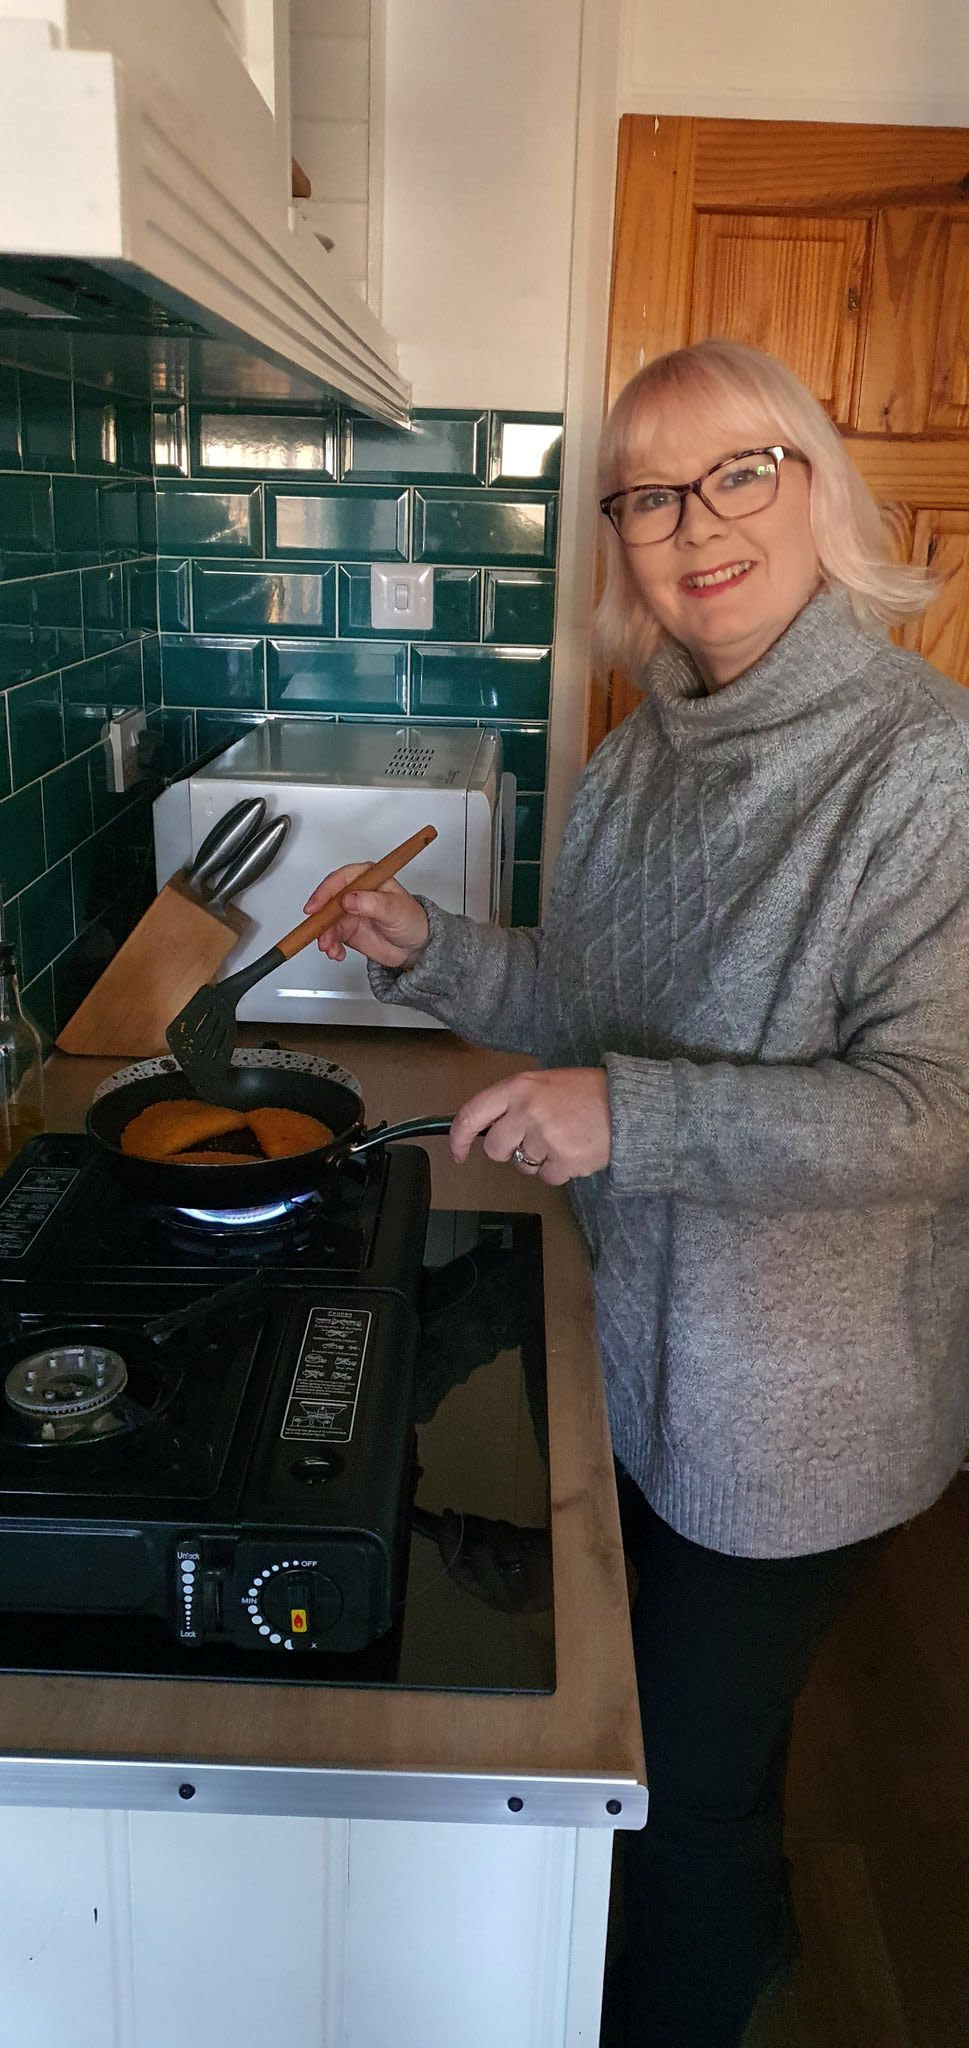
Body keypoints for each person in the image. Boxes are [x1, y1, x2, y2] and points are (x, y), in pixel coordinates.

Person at [304, 339, 969, 2046]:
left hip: (788, 1408)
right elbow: (585, 1007)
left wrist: (628, 1120)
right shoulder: (637, 750)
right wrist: (429, 950)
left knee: (671, 1775)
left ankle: (688, 2000)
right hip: (626, 1339)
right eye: (648, 495)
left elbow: (930, 1115)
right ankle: (719, 1956)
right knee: (660, 1749)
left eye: (739, 471)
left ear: (819, 485)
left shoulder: (923, 769)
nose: (695, 525)